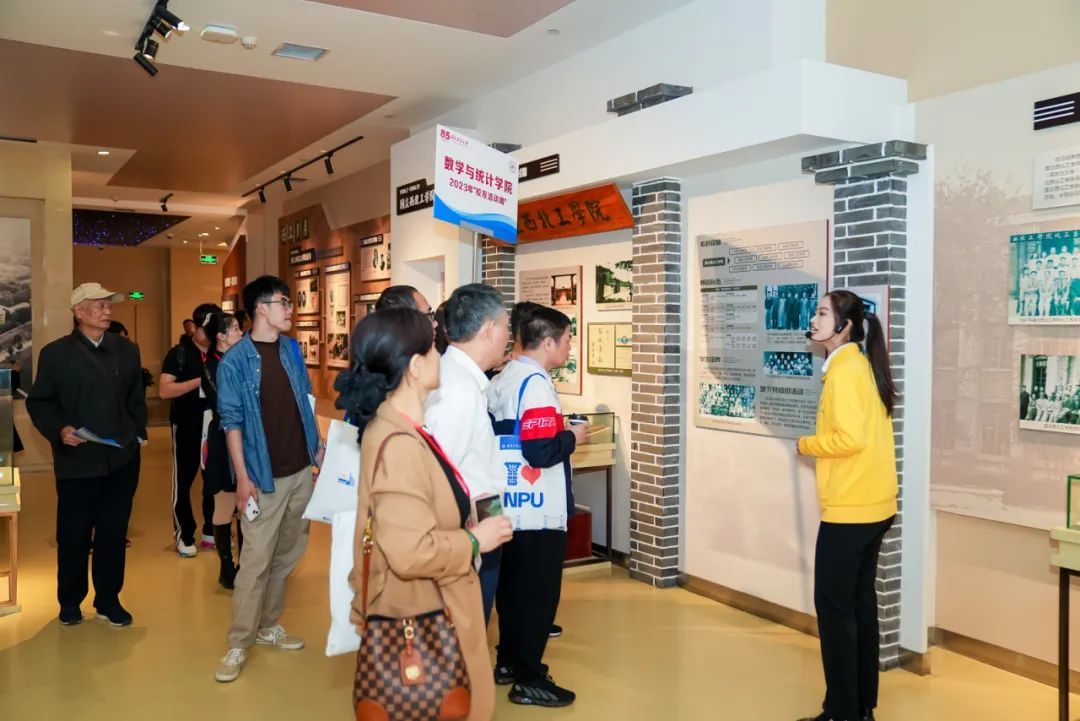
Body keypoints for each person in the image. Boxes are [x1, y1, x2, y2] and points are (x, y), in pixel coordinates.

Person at [341, 308, 512, 721]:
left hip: (435, 600)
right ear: (415, 367)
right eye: (434, 349)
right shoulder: (398, 442)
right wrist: (475, 540)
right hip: (424, 613)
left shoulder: (407, 429)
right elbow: (410, 552)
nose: (442, 356)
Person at [213, 276, 323, 683]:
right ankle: (239, 642)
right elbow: (232, 423)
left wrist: (317, 448)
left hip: (300, 472)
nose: (290, 309)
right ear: (261, 308)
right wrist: (243, 478)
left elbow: (305, 401)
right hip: (262, 478)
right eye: (284, 302)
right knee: (256, 562)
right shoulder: (235, 361)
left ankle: (268, 624)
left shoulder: (291, 350)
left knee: (287, 555)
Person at [796, 289, 899, 721]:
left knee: (836, 613)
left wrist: (807, 444)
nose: (814, 319)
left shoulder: (844, 370)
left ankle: (841, 711)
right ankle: (860, 708)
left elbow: (849, 439)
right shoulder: (862, 364)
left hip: (850, 510)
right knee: (860, 608)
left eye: (823, 313)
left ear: (845, 326)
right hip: (874, 507)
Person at [27, 283, 147, 627]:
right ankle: (70, 601)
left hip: (120, 459)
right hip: (77, 461)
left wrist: (136, 434)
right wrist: (60, 430)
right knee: (74, 534)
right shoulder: (55, 354)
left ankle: (108, 599)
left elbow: (136, 400)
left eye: (109, 304)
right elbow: (40, 402)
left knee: (113, 532)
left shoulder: (126, 350)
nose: (107, 310)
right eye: (99, 304)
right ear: (78, 311)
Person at [487, 306, 587, 707]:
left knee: (512, 591)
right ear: (548, 342)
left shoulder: (505, 376)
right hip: (538, 510)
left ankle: (509, 661)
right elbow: (540, 450)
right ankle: (528, 677)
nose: (569, 347)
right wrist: (573, 436)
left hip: (509, 506)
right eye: (567, 340)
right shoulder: (537, 385)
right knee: (538, 595)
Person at [425, 284, 510, 625]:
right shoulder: (457, 390)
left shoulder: (461, 379)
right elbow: (435, 478)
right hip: (464, 534)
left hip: (477, 524)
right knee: (462, 631)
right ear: (489, 329)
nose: (509, 337)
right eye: (506, 327)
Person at [160, 306, 218, 556]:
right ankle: (184, 534)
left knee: (214, 480)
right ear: (194, 328)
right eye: (206, 328)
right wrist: (200, 380)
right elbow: (164, 390)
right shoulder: (179, 354)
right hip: (186, 423)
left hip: (215, 424)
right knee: (183, 480)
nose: (210, 334)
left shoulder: (221, 353)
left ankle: (211, 530)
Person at [195, 308, 244, 590]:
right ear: (221, 336)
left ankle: (245, 564)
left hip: (247, 437)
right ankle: (226, 566)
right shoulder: (211, 366)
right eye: (235, 328)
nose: (241, 333)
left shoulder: (243, 359)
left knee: (248, 503)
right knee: (224, 501)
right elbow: (226, 402)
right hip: (223, 436)